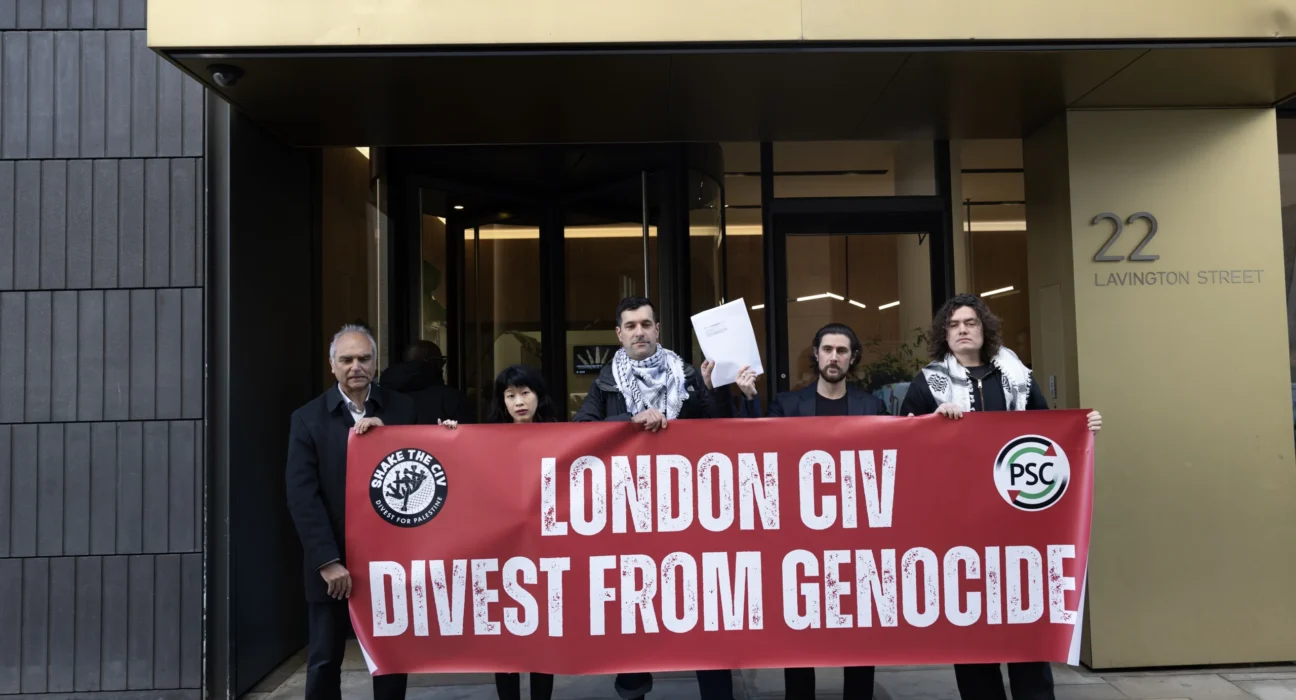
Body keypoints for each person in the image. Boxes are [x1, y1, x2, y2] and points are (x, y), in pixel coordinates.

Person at [900, 294, 1102, 700]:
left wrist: (1083, 426)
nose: (962, 330)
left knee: (1025, 625)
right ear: (944, 334)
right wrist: (931, 423)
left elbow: (1048, 433)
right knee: (972, 631)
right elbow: (903, 441)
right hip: (960, 531)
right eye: (953, 324)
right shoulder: (928, 383)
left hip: (1018, 527)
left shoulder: (1017, 376)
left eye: (970, 322)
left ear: (984, 328)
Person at [572, 296, 734, 700]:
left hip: (690, 515)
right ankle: (634, 692)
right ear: (619, 334)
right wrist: (629, 423)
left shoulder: (689, 375)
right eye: (630, 326)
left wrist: (713, 390)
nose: (639, 332)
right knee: (634, 612)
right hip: (631, 518)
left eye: (646, 324)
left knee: (702, 611)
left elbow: (721, 429)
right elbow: (580, 432)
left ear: (657, 330)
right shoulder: (606, 381)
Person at [738, 323, 887, 700]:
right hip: (801, 537)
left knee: (859, 633)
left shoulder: (872, 406)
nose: (834, 357)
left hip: (856, 537)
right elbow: (758, 446)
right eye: (827, 350)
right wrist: (751, 398)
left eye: (842, 350)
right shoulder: (788, 405)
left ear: (852, 357)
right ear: (816, 354)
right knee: (800, 631)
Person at [285, 325, 416, 700]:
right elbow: (302, 496)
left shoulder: (402, 408)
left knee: (389, 660)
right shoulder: (307, 418)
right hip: (334, 564)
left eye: (363, 358)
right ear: (332, 365)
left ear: (376, 362)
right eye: (346, 359)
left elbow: (424, 463)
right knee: (325, 660)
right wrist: (327, 561)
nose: (356, 366)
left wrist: (443, 434)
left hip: (390, 561)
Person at [441, 363, 558, 700]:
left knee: (543, 635)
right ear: (502, 401)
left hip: (546, 552)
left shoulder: (562, 435)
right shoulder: (484, 438)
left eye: (525, 393)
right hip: (501, 552)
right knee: (504, 635)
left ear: (538, 396)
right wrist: (449, 437)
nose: (519, 402)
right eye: (510, 395)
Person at [381, 339, 470, 425]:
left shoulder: (382, 395)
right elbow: (468, 432)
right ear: (432, 361)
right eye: (441, 360)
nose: (442, 366)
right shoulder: (452, 398)